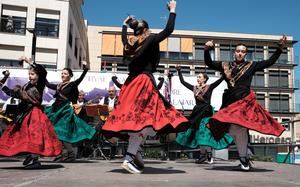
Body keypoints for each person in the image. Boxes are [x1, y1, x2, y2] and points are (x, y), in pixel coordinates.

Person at [102, 0, 189, 174]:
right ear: (147, 29)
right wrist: (173, 10)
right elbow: (168, 30)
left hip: (130, 84)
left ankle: (136, 154)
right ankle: (128, 158)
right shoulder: (150, 39)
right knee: (145, 121)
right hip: (143, 83)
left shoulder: (130, 44)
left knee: (138, 121)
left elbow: (124, 39)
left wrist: (124, 25)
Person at [204, 36, 287, 171]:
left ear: (245, 54)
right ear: (234, 52)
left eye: (242, 51)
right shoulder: (225, 65)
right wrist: (206, 49)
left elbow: (269, 62)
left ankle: (243, 158)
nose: (240, 53)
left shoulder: (251, 65)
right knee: (230, 129)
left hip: (244, 103)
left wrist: (279, 49)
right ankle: (244, 156)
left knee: (240, 129)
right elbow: (209, 63)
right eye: (238, 51)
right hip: (229, 103)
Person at [0, 57, 62, 168]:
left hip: (35, 113)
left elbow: (43, 71)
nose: (30, 76)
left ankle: (35, 160)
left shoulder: (40, 84)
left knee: (35, 136)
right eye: (29, 74)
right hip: (24, 113)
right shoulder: (25, 86)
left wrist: (30, 62)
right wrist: (3, 87)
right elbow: (15, 94)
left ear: (38, 76)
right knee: (22, 135)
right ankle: (30, 154)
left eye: (32, 74)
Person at [175, 66, 233, 164]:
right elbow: (183, 82)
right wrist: (179, 71)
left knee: (205, 132)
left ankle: (209, 154)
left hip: (206, 112)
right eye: (197, 77)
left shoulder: (210, 87)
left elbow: (220, 80)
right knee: (198, 133)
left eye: (200, 77)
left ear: (204, 79)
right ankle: (203, 155)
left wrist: (225, 72)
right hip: (197, 112)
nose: (198, 78)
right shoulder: (194, 88)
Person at [44, 62, 96, 162]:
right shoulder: (58, 86)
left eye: (65, 73)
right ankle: (65, 154)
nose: (63, 75)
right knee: (55, 131)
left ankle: (68, 154)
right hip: (56, 110)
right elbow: (47, 84)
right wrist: (42, 73)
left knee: (61, 132)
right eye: (62, 73)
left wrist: (85, 69)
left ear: (70, 76)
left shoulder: (72, 84)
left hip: (65, 111)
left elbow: (80, 79)